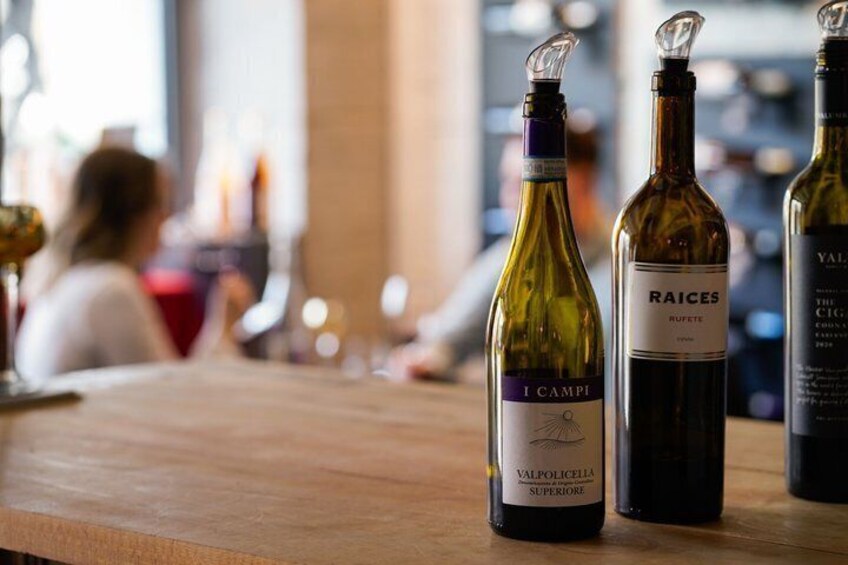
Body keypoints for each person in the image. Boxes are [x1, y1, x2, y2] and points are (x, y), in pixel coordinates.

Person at [390, 123, 611, 382]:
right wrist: (424, 361)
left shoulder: (623, 264)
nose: (509, 198)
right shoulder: (506, 260)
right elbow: (443, 341)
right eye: (507, 182)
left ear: (584, 181)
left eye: (525, 184)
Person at [17, 147, 254, 379]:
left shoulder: (68, 281)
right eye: (161, 203)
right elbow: (171, 393)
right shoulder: (111, 289)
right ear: (132, 213)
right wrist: (223, 326)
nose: (166, 216)